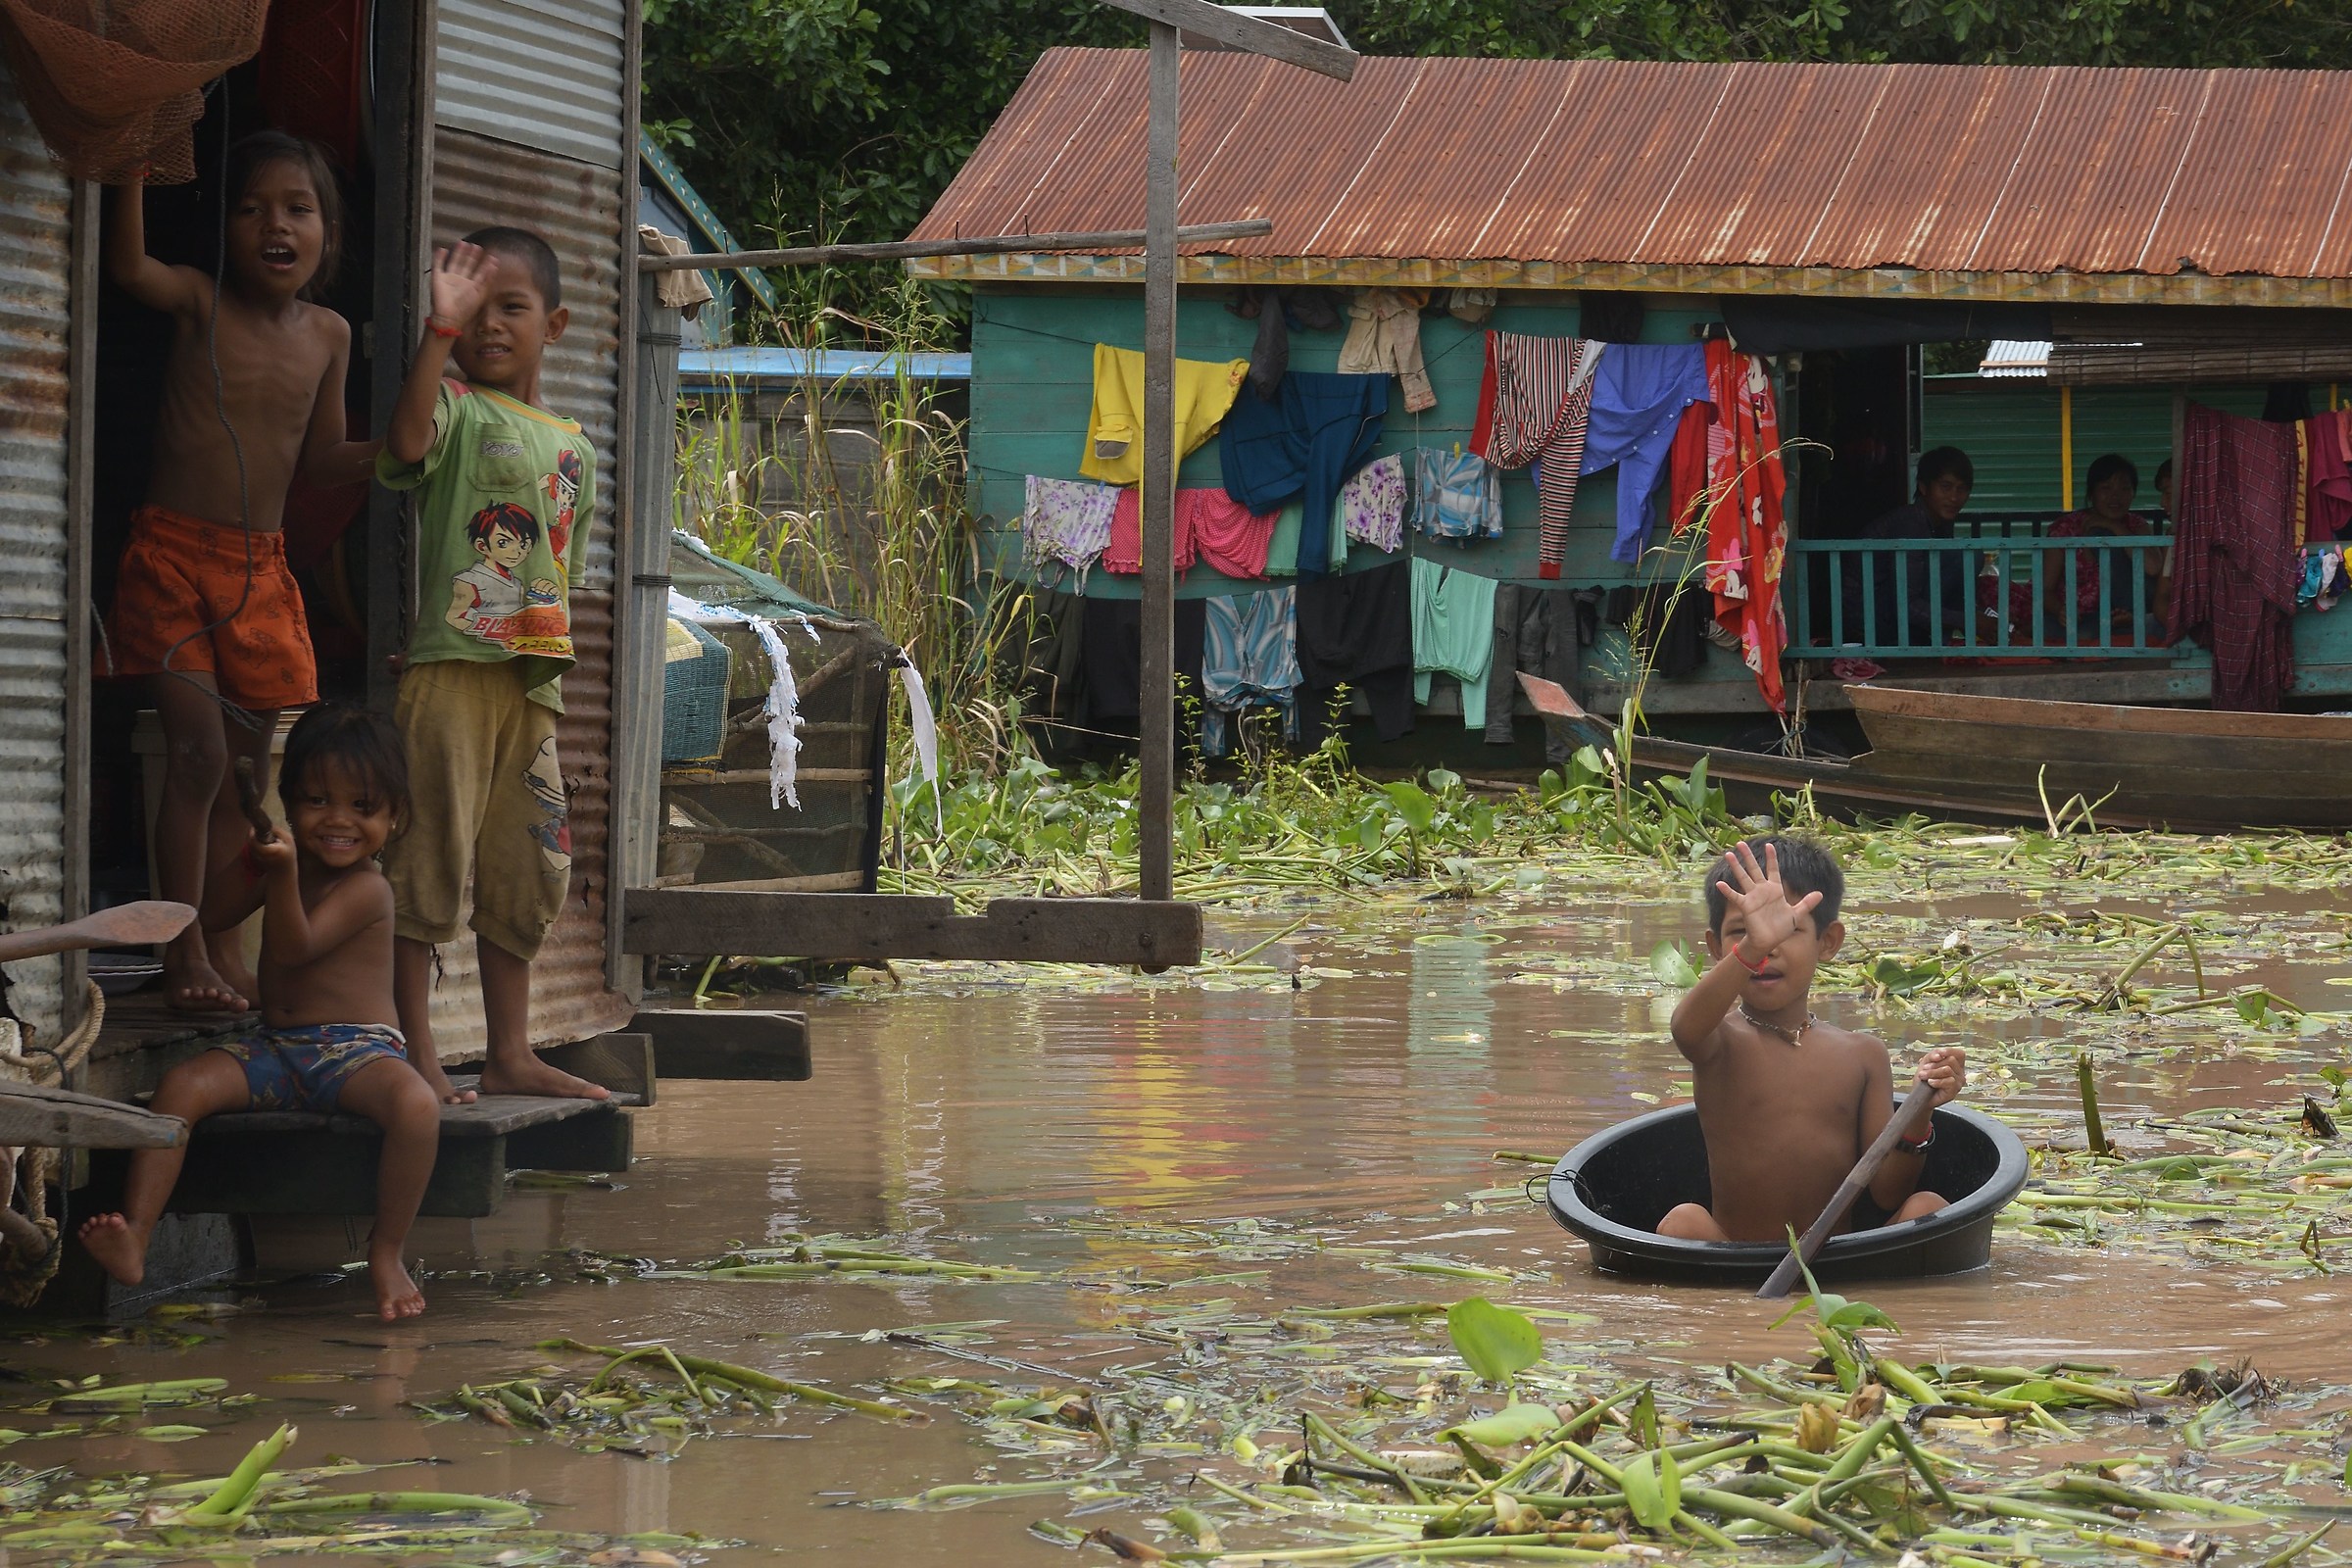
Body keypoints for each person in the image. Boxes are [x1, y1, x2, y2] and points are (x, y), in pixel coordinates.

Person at [102, 130, 381, 1013]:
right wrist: (132, 160)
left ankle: (223, 947)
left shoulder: (330, 334)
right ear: (224, 228)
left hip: (260, 572)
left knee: (245, 778)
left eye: (298, 209)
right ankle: (181, 949)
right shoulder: (199, 299)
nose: (276, 225)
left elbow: (324, 459)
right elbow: (128, 267)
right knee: (195, 754)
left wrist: (404, 450)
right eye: (253, 208)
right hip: (173, 558)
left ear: (328, 234)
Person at [78, 706, 440, 1319]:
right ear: (288, 802)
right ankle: (137, 1234)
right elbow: (213, 914)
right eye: (318, 800)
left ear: (394, 817)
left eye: (362, 806)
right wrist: (251, 862)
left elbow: (297, 947)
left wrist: (282, 875)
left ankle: (386, 1252)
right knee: (181, 1084)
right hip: (275, 1047)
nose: (339, 820)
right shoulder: (282, 862)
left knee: (418, 1108)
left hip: (355, 1050)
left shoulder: (369, 889)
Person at [377, 226, 608, 1104]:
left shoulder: (576, 447)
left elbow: (559, 571)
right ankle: (418, 1055)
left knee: (529, 864)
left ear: (555, 325)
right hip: (451, 672)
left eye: (511, 307)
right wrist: (436, 334)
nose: (489, 324)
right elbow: (405, 445)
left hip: (531, 684)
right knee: (426, 857)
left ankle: (510, 1052)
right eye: (474, 309)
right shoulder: (456, 408)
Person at [1659, 836, 1967, 1244]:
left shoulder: (1863, 1056)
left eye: (1787, 929)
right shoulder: (1718, 1041)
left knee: (1927, 1206)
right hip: (1732, 1257)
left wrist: (1919, 1110)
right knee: (1682, 1223)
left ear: (1828, 941)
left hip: (1840, 1261)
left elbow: (1888, 1192)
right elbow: (1685, 1027)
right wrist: (1753, 947)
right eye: (1743, 931)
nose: (1768, 946)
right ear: (1717, 947)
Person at [2014, 454, 2163, 644]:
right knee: (2053, 629)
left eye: (2125, 488)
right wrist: (2061, 610)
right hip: (2081, 619)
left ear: (2133, 493)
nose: (2115, 496)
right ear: (2092, 493)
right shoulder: (2065, 528)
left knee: (2158, 626)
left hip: (2128, 616)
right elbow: (2045, 589)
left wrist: (2114, 527)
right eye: (2106, 488)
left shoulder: (2137, 526)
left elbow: (2153, 567)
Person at [1849, 447, 1976, 650]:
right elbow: (1906, 604)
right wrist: (1969, 621)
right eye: (1946, 487)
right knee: (1967, 557)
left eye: (1962, 489)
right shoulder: (1910, 523)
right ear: (1924, 487)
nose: (1954, 497)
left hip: (1890, 615)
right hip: (1871, 620)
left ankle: (1937, 642)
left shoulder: (1939, 522)